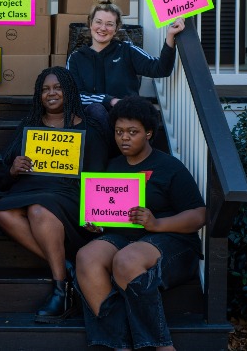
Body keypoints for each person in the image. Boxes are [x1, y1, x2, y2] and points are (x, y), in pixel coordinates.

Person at [75, 96, 206, 350]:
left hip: (171, 240)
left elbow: (199, 214)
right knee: (86, 256)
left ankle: (160, 345)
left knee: (127, 259)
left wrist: (156, 224)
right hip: (124, 238)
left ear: (148, 133)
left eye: (133, 132)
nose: (124, 138)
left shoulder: (169, 166)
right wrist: (99, 224)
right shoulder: (112, 167)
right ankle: (118, 343)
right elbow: (110, 211)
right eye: (119, 132)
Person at [0, 67, 109, 322]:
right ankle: (67, 266)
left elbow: (99, 180)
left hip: (67, 198)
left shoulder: (90, 130)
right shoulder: (30, 126)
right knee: (1, 212)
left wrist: (97, 214)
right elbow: (1, 179)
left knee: (39, 209)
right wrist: (13, 169)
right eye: (45, 89)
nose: (51, 93)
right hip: (28, 190)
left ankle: (60, 289)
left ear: (68, 91)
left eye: (57, 88)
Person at [66, 0, 185, 132]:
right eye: (98, 22)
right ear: (90, 23)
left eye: (109, 24)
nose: (103, 28)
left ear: (116, 29)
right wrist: (110, 100)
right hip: (92, 125)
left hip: (125, 119)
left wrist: (170, 36)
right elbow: (73, 95)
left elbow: (160, 69)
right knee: (96, 110)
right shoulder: (76, 58)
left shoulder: (127, 51)